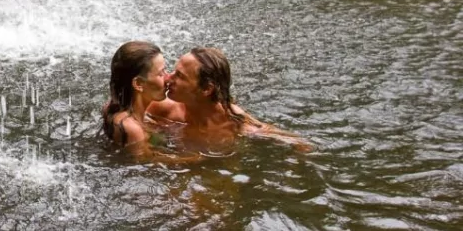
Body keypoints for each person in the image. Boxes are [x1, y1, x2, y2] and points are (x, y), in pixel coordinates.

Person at [149, 47, 312, 154]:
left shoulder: (233, 123)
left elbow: (293, 140)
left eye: (180, 76)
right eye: (173, 71)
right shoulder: (162, 107)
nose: (167, 78)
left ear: (207, 89)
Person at [101, 41, 195, 161]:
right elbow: (146, 161)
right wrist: (193, 160)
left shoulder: (115, 107)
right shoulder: (131, 128)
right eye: (161, 74)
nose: (168, 78)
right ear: (139, 84)